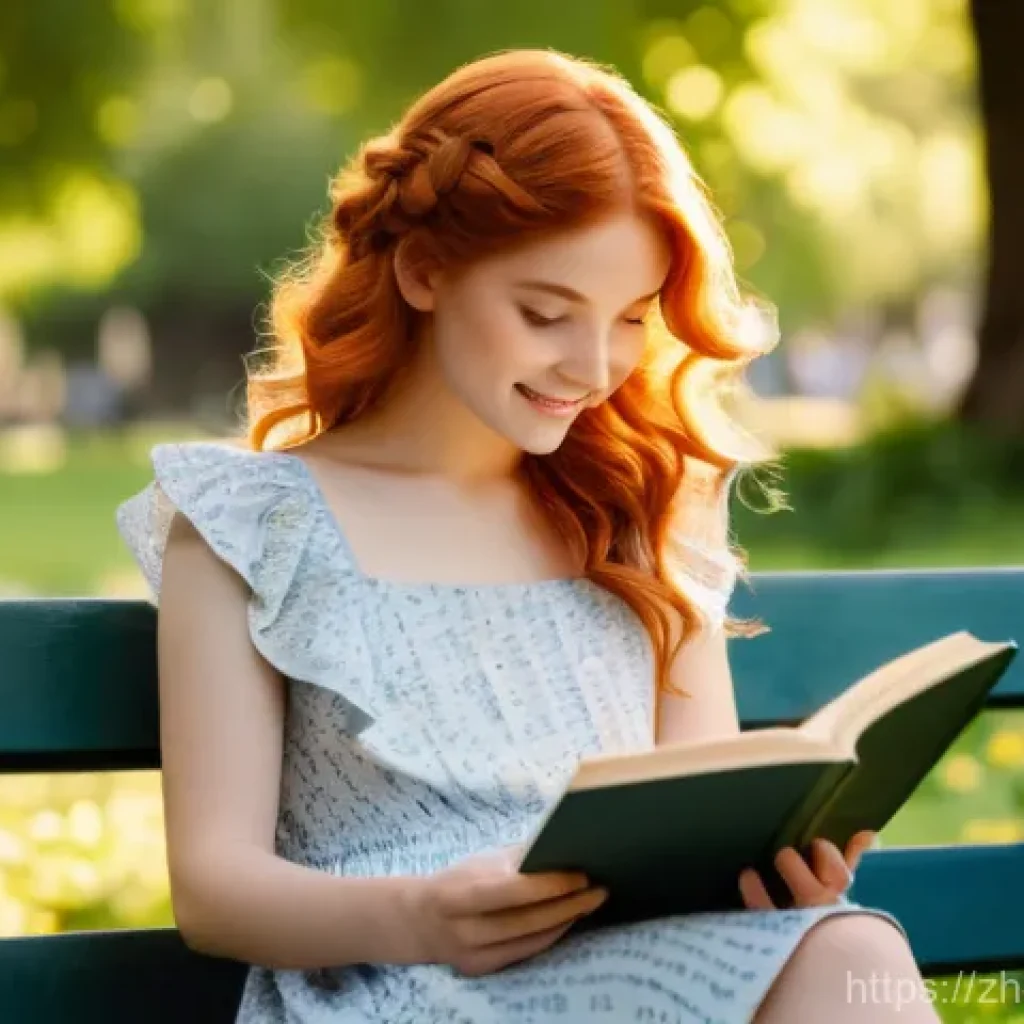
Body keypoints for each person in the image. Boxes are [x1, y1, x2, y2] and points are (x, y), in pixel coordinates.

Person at [116, 48, 938, 1024]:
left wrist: (769, 873)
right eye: (546, 313)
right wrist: (421, 915)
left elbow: (700, 815)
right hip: (395, 990)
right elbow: (214, 892)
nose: (593, 365)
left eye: (631, 318)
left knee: (844, 948)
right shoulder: (254, 522)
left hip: (635, 976)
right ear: (424, 270)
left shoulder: (637, 510)